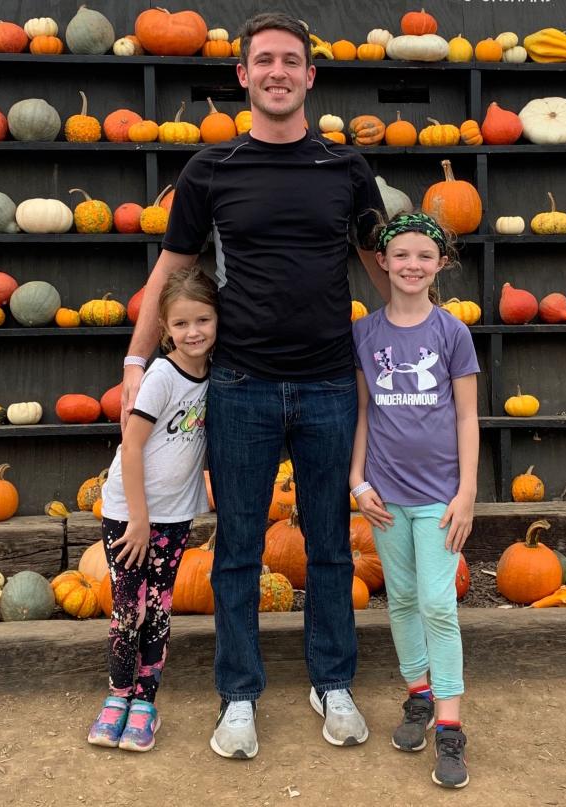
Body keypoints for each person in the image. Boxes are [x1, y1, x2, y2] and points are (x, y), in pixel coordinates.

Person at [120, 12, 388, 759]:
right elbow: (171, 271)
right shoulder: (210, 170)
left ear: (310, 76)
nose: (277, 72)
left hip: (333, 384)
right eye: (263, 61)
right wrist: (135, 364)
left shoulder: (345, 168)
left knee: (331, 546)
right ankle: (238, 695)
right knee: (238, 548)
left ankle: (332, 681)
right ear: (243, 76)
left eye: (290, 61)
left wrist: (417, 335)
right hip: (240, 387)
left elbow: (378, 265)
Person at [349, 211, 479, 789]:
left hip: (439, 498)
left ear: (441, 265)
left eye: (424, 256)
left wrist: (468, 492)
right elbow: (364, 412)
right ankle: (418, 694)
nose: (411, 265)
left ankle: (450, 727)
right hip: (385, 495)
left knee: (436, 604)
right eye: (400, 255)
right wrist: (358, 481)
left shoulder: (452, 332)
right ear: (382, 261)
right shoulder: (365, 333)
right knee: (400, 599)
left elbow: (469, 416)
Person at [89, 267, 217, 753]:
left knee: (160, 610)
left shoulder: (213, 376)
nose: (194, 332)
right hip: (130, 514)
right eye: (181, 324)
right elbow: (134, 445)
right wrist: (139, 518)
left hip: (175, 517)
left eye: (203, 320)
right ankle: (117, 696)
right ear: (165, 329)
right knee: (128, 610)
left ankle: (145, 702)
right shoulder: (162, 376)